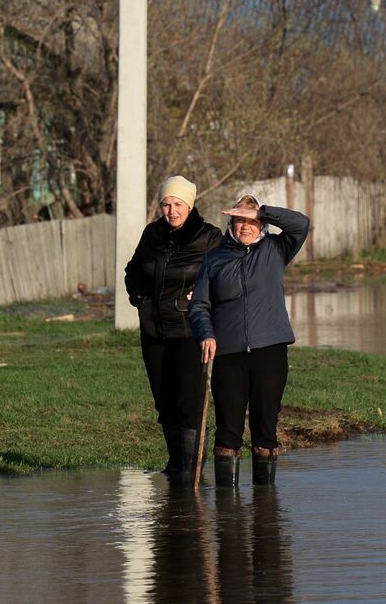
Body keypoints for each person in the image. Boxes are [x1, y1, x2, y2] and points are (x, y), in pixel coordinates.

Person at [189, 193, 310, 486]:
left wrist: (264, 211)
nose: (245, 226)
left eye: (251, 221)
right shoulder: (215, 258)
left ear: (262, 223)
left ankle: (264, 510)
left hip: (269, 350)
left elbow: (301, 224)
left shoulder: (276, 250)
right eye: (239, 220)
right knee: (228, 430)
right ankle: (228, 515)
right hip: (227, 353)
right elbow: (199, 305)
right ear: (230, 223)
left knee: (265, 426)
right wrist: (206, 334)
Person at [124, 175, 223, 481]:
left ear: (189, 205)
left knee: (187, 400)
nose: (171, 210)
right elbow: (133, 270)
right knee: (163, 398)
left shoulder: (209, 237)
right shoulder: (152, 234)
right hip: (154, 328)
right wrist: (139, 297)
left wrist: (205, 294)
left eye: (177, 204)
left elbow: (224, 274)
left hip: (189, 329)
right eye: (166, 204)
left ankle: (192, 467)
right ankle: (176, 462)